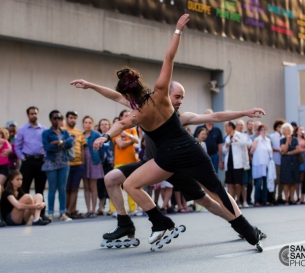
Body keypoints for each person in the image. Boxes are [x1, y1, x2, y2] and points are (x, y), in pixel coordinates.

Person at [72, 14, 266, 251]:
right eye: (179, 97)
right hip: (175, 156)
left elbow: (121, 123)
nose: (180, 101)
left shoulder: (138, 113)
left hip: (167, 160)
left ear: (130, 96)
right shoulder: (160, 94)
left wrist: (105, 136)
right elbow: (169, 57)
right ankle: (127, 224)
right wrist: (177, 31)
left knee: (200, 197)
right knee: (215, 191)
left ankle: (162, 221)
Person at [15, 106, 50, 223]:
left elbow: (46, 145)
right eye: (31, 114)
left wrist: (45, 156)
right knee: (24, 188)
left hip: (40, 161)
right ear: (28, 115)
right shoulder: (22, 129)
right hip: (28, 161)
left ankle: (41, 214)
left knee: (40, 189)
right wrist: (22, 158)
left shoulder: (44, 129)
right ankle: (24, 215)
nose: (33, 115)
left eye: (35, 113)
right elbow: (17, 146)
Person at [42, 110, 74, 222]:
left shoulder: (65, 132)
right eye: (55, 118)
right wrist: (62, 143)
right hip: (51, 162)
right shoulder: (46, 133)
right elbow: (47, 146)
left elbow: (70, 143)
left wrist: (58, 143)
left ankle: (62, 213)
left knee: (62, 188)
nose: (57, 120)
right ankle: (50, 213)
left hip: (64, 162)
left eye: (59, 118)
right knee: (52, 188)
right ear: (51, 119)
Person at [110, 110, 140, 216]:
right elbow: (120, 144)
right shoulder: (116, 129)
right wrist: (131, 140)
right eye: (126, 116)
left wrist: (128, 136)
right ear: (121, 117)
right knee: (116, 186)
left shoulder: (132, 129)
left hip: (132, 161)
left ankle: (133, 209)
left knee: (131, 185)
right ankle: (115, 210)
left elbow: (137, 140)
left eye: (130, 115)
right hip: (119, 162)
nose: (129, 117)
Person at [63, 111, 87, 219]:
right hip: (66, 164)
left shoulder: (79, 133)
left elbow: (82, 148)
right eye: (71, 118)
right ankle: (67, 210)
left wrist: (82, 163)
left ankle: (70, 210)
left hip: (78, 165)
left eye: (74, 118)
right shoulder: (62, 131)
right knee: (67, 189)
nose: (73, 120)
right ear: (67, 118)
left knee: (74, 189)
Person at [223, 121, 252, 208]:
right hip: (229, 164)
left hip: (238, 163)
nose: (225, 129)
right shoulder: (227, 137)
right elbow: (224, 151)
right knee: (230, 184)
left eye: (226, 127)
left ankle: (238, 200)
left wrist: (238, 141)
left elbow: (249, 143)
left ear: (231, 127)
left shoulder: (240, 135)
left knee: (238, 183)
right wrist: (226, 146)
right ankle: (231, 202)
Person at [82, 115, 104, 218]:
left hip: (94, 162)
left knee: (93, 186)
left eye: (89, 122)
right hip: (84, 162)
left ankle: (94, 210)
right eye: (86, 122)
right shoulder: (81, 135)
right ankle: (88, 209)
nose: (87, 124)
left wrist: (99, 159)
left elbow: (103, 148)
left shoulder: (96, 134)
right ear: (83, 124)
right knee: (86, 186)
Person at [250, 124, 272, 206]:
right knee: (258, 183)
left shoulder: (268, 140)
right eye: (262, 130)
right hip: (259, 164)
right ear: (259, 131)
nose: (264, 131)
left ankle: (265, 200)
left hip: (266, 164)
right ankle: (257, 200)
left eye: (265, 130)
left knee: (266, 183)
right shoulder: (257, 140)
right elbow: (252, 151)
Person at [280, 123, 300, 205]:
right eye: (285, 130)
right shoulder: (282, 140)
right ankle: (286, 199)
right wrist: (288, 141)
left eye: (288, 130)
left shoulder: (295, 139)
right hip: (286, 162)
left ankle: (292, 198)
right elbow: (284, 150)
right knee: (286, 181)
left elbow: (298, 150)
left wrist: (288, 153)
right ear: (283, 132)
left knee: (293, 180)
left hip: (294, 161)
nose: (287, 131)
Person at [97, 118, 114, 215]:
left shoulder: (112, 137)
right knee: (100, 186)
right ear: (99, 126)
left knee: (110, 185)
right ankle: (101, 207)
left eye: (106, 124)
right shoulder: (97, 137)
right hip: (99, 165)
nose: (104, 126)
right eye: (102, 124)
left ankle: (111, 208)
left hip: (110, 164)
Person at [270, 119, 285, 204]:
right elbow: (271, 147)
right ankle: (273, 197)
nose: (280, 128)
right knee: (275, 179)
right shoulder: (272, 136)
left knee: (281, 180)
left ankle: (280, 196)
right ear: (276, 127)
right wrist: (278, 149)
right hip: (275, 160)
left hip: (283, 161)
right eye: (279, 127)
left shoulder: (284, 136)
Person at [295, 126, 305, 203]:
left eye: (303, 129)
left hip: (303, 157)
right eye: (300, 130)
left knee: (302, 178)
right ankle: (297, 196)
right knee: (297, 179)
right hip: (296, 157)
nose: (302, 131)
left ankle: (302, 196)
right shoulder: (295, 139)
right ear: (297, 131)